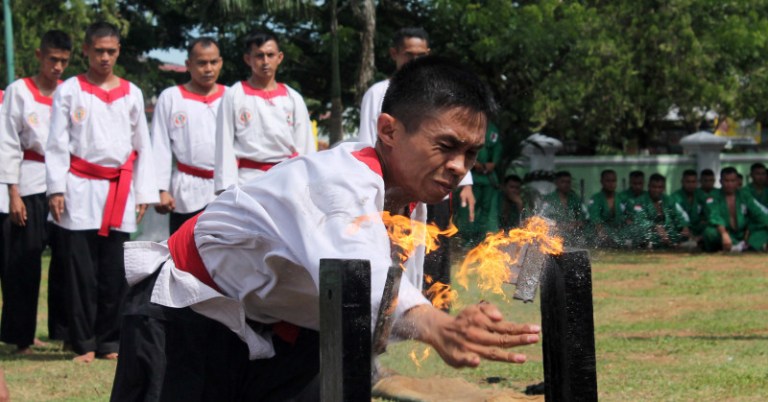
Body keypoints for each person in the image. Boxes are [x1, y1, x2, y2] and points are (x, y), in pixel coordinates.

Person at [110, 56, 541, 401]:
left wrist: (423, 325)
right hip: (188, 314)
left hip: (281, 331)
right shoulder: (335, 182)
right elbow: (358, 274)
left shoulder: (409, 199)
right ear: (389, 130)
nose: (458, 167)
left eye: (470, 153)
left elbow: (378, 306)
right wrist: (434, 324)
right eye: (446, 146)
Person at [46, 21, 159, 363]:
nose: (105, 58)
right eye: (99, 51)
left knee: (114, 271)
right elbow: (56, 144)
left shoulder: (131, 92)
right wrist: (56, 188)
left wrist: (143, 192)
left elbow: (143, 145)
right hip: (79, 187)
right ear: (86, 50)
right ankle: (83, 342)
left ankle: (110, 340)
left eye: (111, 51)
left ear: (119, 52)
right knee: (81, 272)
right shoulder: (69, 90)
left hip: (119, 188)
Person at [357, 27, 473, 301]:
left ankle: (435, 306)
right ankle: (391, 311)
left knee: (435, 248)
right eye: (409, 55)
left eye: (421, 55)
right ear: (395, 54)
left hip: (437, 184)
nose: (415, 61)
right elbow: (367, 142)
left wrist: (465, 182)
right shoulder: (379, 93)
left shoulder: (443, 93)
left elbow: (459, 139)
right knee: (392, 253)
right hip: (395, 188)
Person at [0, 30, 72, 354]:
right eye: (53, 59)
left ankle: (67, 331)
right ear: (39, 55)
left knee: (68, 261)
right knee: (25, 263)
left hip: (67, 183)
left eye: (64, 61)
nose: (57, 66)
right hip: (29, 179)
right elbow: (8, 142)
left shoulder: (71, 92)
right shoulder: (19, 91)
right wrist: (12, 192)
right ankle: (20, 336)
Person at [214, 31, 315, 194]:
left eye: (270, 55)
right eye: (259, 56)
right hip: (248, 180)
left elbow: (305, 145)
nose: (265, 61)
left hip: (287, 178)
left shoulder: (293, 97)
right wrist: (225, 187)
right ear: (248, 59)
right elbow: (224, 144)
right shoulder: (234, 94)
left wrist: (309, 181)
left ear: (279, 57)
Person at [152, 37, 225, 234]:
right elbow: (160, 146)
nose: (208, 69)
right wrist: (160, 189)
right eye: (201, 63)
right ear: (188, 65)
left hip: (225, 189)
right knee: (184, 255)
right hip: (185, 189)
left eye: (213, 62)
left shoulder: (231, 97)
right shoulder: (171, 98)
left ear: (220, 63)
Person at [456, 121, 502, 246]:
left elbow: (497, 148)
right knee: (469, 209)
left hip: (488, 178)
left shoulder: (492, 129)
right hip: (472, 177)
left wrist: (493, 163)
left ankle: (481, 240)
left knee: (486, 210)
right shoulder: (469, 124)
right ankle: (466, 239)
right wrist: (474, 163)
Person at [701, 167, 768, 252]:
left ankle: (745, 247)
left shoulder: (744, 195)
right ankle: (737, 247)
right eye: (726, 181)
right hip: (725, 232)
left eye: (732, 181)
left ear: (737, 181)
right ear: (720, 181)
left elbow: (758, 213)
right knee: (709, 232)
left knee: (763, 228)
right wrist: (724, 234)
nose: (730, 184)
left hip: (743, 234)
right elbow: (714, 216)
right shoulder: (713, 196)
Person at [629, 173, 690, 249]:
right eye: (654, 187)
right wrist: (655, 227)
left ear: (663, 188)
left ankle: (673, 245)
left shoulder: (668, 200)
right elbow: (639, 220)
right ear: (649, 187)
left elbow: (678, 216)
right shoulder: (640, 201)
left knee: (683, 234)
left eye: (660, 187)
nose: (656, 190)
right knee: (645, 235)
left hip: (668, 233)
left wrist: (684, 226)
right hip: (650, 233)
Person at [540, 171, 588, 246]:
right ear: (556, 183)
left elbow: (583, 215)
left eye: (568, 182)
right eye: (563, 182)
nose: (566, 184)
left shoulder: (575, 198)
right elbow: (542, 218)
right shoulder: (548, 199)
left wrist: (578, 222)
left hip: (572, 236)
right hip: (554, 235)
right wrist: (558, 225)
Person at [587, 169, 624, 248]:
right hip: (602, 232)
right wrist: (602, 234)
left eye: (613, 181)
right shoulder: (596, 198)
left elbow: (627, 215)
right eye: (608, 181)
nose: (611, 184)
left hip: (618, 232)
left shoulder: (621, 198)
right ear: (602, 182)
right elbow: (595, 218)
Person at [671, 169, 706, 241]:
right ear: (682, 182)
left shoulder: (701, 195)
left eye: (693, 182)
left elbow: (708, 211)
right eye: (688, 182)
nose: (691, 185)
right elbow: (678, 215)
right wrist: (684, 225)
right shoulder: (675, 196)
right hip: (682, 229)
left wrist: (704, 219)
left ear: (697, 182)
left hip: (697, 228)